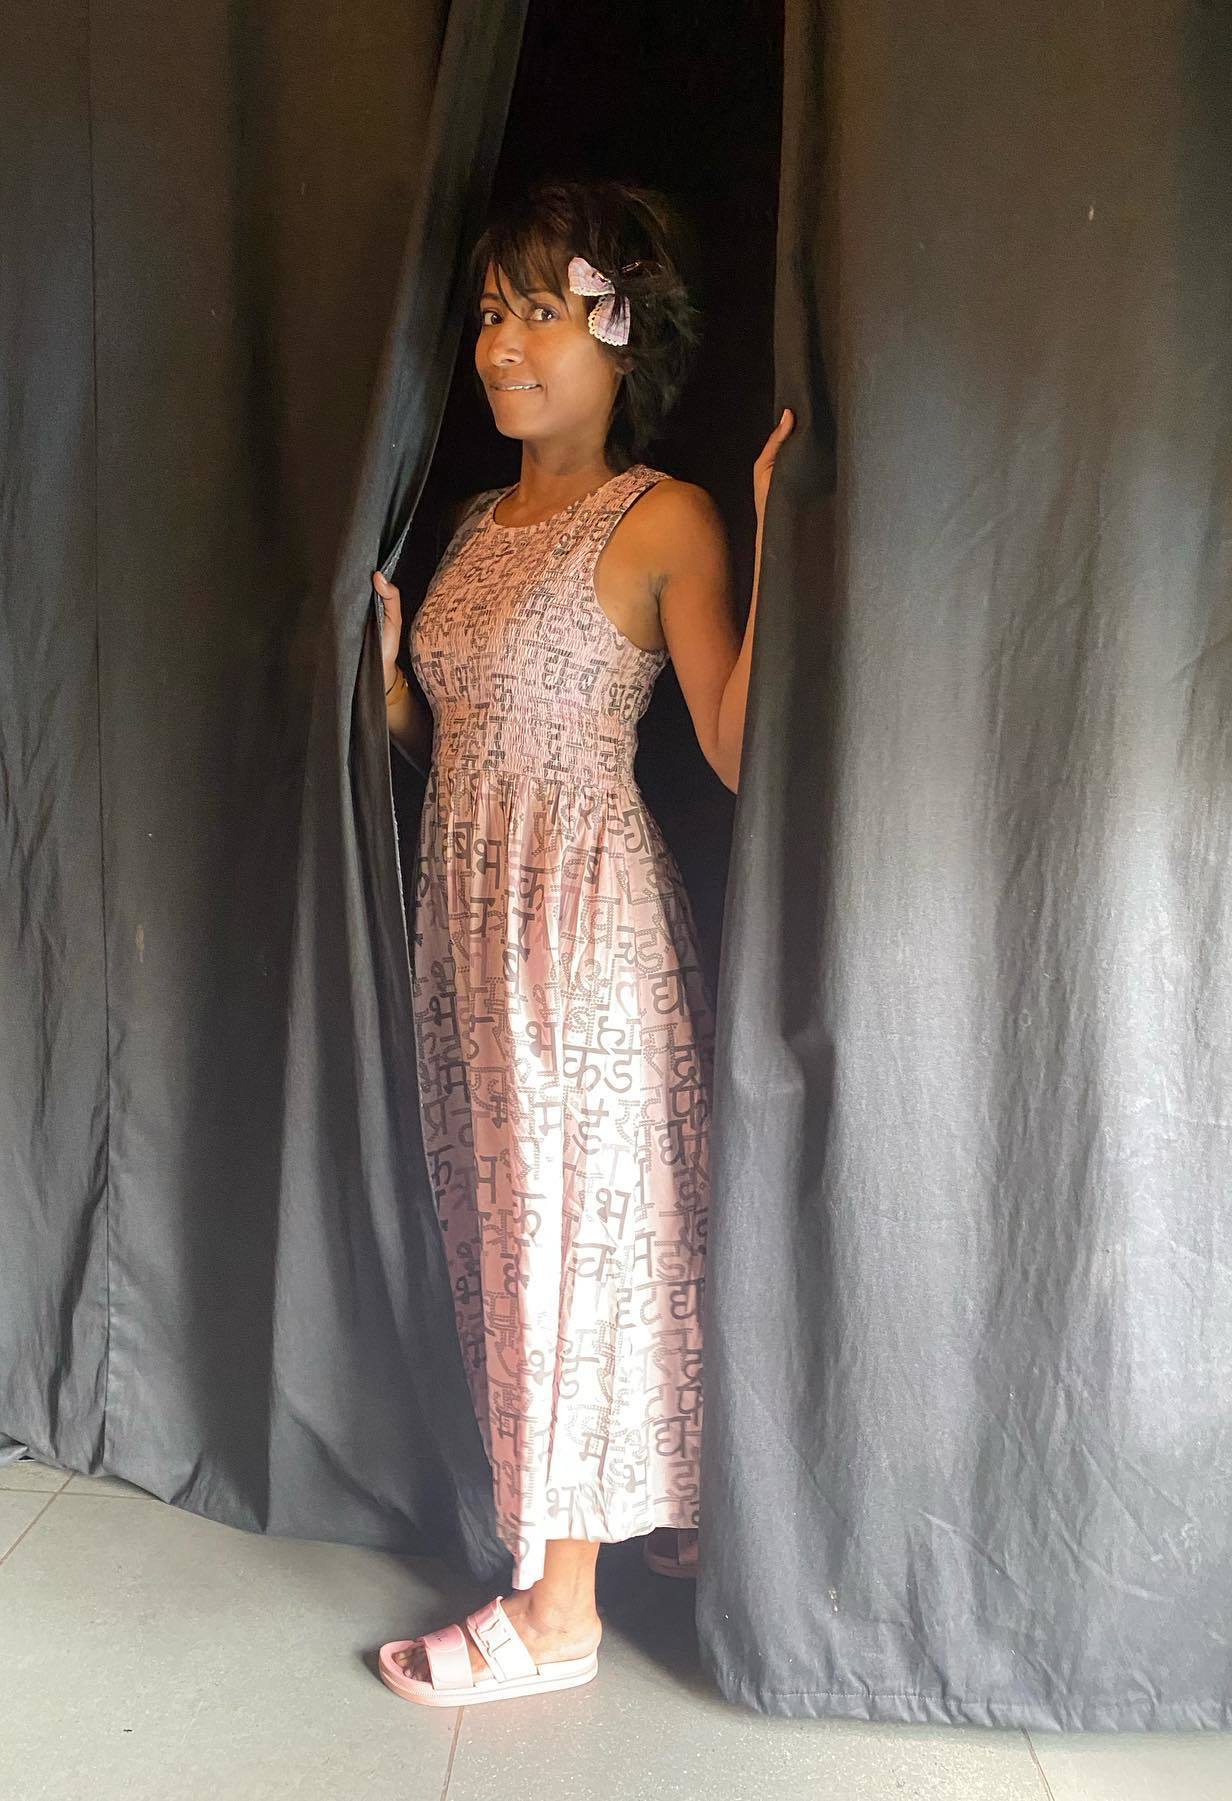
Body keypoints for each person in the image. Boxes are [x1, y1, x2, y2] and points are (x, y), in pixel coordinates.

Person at [372, 176, 794, 1706]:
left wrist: (777, 528)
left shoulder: (662, 515)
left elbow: (734, 747)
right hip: (468, 916)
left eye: (541, 311)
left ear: (622, 335)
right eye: (493, 311)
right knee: (515, 1231)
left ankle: (558, 1613)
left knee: (576, 1241)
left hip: (582, 930)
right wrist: (391, 686)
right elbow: (455, 734)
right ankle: (644, 1513)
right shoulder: (469, 523)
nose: (501, 344)